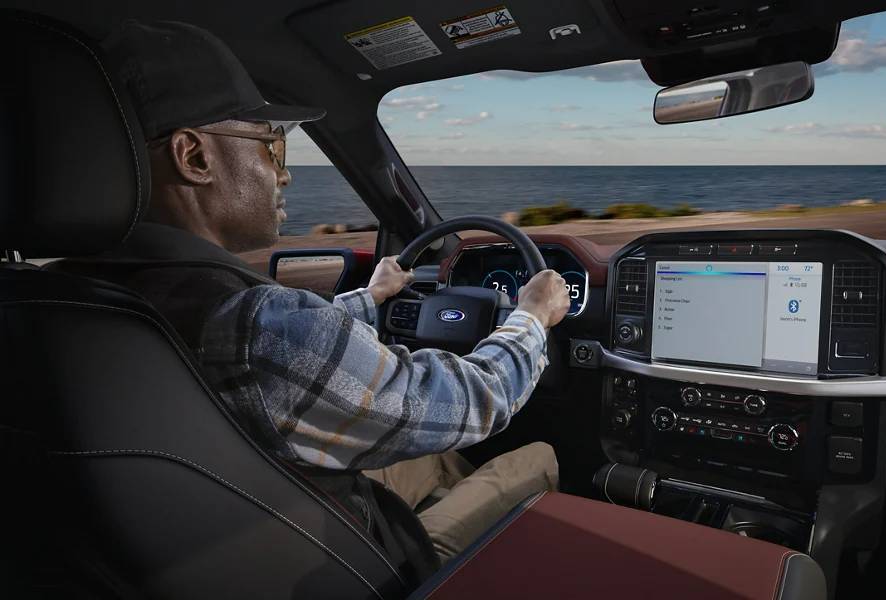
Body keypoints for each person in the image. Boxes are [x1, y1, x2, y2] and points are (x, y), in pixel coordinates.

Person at [48, 20, 571, 581]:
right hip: (362, 570)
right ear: (193, 157)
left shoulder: (57, 301)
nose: (287, 174)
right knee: (537, 456)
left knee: (434, 455)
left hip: (211, 553)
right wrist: (531, 318)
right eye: (271, 144)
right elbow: (474, 399)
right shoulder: (259, 326)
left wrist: (371, 299)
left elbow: (274, 357)